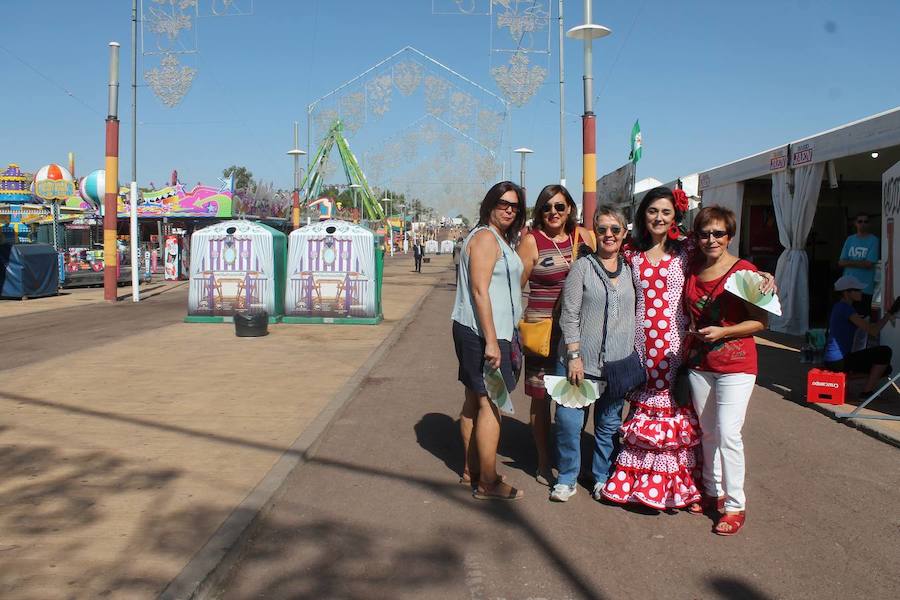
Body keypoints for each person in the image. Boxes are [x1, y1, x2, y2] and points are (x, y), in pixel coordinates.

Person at [601, 186, 703, 509]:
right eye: (652, 211)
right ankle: (638, 481)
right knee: (644, 409)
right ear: (643, 215)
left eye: (666, 212)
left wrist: (760, 277)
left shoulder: (686, 251)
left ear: (675, 217)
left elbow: (722, 263)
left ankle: (675, 485)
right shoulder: (630, 253)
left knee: (672, 407)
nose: (659, 217)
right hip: (640, 344)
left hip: (675, 344)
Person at [684, 206, 768, 537]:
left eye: (718, 233)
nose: (711, 239)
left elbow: (762, 322)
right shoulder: (692, 269)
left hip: (736, 364)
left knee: (729, 432)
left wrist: (724, 332)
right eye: (704, 233)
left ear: (729, 236)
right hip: (701, 364)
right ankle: (711, 491)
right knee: (707, 432)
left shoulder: (744, 271)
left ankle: (735, 505)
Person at [550, 206, 635, 502]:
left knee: (609, 425)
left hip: (616, 364)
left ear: (625, 233)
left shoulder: (631, 270)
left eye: (615, 229)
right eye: (602, 229)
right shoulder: (582, 267)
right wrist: (573, 354)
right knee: (569, 422)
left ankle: (601, 476)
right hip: (579, 362)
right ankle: (567, 476)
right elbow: (569, 314)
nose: (608, 235)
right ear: (594, 233)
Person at [451, 181, 527, 501]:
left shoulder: (496, 238)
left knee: (473, 400)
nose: (509, 209)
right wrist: (493, 342)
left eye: (514, 205)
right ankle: (488, 481)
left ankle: (472, 469)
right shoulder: (485, 238)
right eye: (502, 203)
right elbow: (480, 291)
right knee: (491, 404)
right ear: (489, 205)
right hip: (485, 333)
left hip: (478, 329)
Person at [517, 184, 595, 486]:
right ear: (540, 211)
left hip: (578, 330)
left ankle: (570, 460)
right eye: (547, 207)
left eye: (560, 207)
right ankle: (543, 460)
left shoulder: (584, 237)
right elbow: (517, 285)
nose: (553, 212)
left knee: (577, 394)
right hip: (542, 328)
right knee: (541, 399)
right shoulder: (532, 241)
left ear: (570, 209)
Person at [823, 275, 898, 397]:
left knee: (886, 369)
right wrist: (890, 313)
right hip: (838, 361)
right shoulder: (846, 308)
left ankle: (847, 382)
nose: (861, 292)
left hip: (833, 360)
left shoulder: (840, 307)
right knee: (884, 352)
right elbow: (873, 330)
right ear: (846, 293)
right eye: (857, 290)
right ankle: (866, 393)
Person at [838, 212, 879, 318]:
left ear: (869, 224)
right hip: (847, 289)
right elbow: (841, 262)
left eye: (866, 221)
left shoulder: (874, 240)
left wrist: (850, 262)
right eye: (860, 221)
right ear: (855, 223)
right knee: (846, 320)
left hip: (864, 289)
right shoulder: (850, 239)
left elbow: (869, 264)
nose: (863, 224)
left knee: (862, 321)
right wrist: (861, 262)